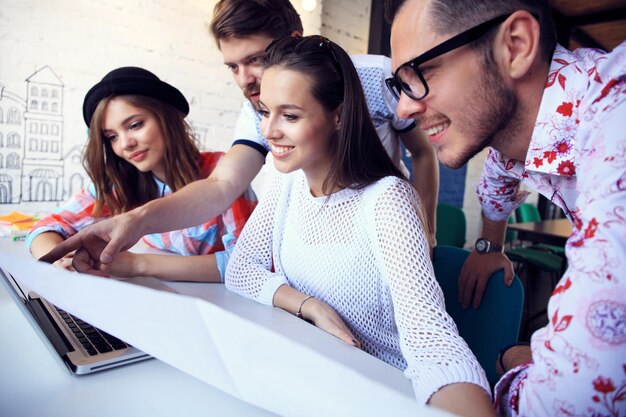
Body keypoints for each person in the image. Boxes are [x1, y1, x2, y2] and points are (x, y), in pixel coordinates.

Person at [40, 0, 438, 273]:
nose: (245, 79)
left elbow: (423, 154)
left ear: (294, 42)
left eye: (256, 60)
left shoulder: (376, 76)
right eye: (232, 66)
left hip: (387, 233)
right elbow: (220, 186)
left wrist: (426, 228)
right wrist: (137, 220)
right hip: (325, 247)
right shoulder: (255, 111)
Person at [225, 34, 494, 416]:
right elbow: (241, 269)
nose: (269, 131)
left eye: (290, 116)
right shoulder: (287, 182)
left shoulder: (387, 199)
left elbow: (432, 341)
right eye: (265, 112)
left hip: (376, 393)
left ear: (337, 116)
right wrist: (309, 306)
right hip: (310, 382)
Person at [384, 0, 626, 415]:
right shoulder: (520, 140)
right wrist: (488, 248)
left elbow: (570, 399)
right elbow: (497, 180)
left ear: (515, 46)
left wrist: (512, 363)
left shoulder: (615, 116)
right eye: (398, 85)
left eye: (421, 73)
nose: (403, 108)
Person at [29, 66, 257, 282]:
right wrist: (59, 259)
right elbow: (46, 227)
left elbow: (251, 264)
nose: (125, 144)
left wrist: (137, 265)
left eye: (135, 125)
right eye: (112, 137)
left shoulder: (223, 170)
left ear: (167, 117)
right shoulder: (121, 186)